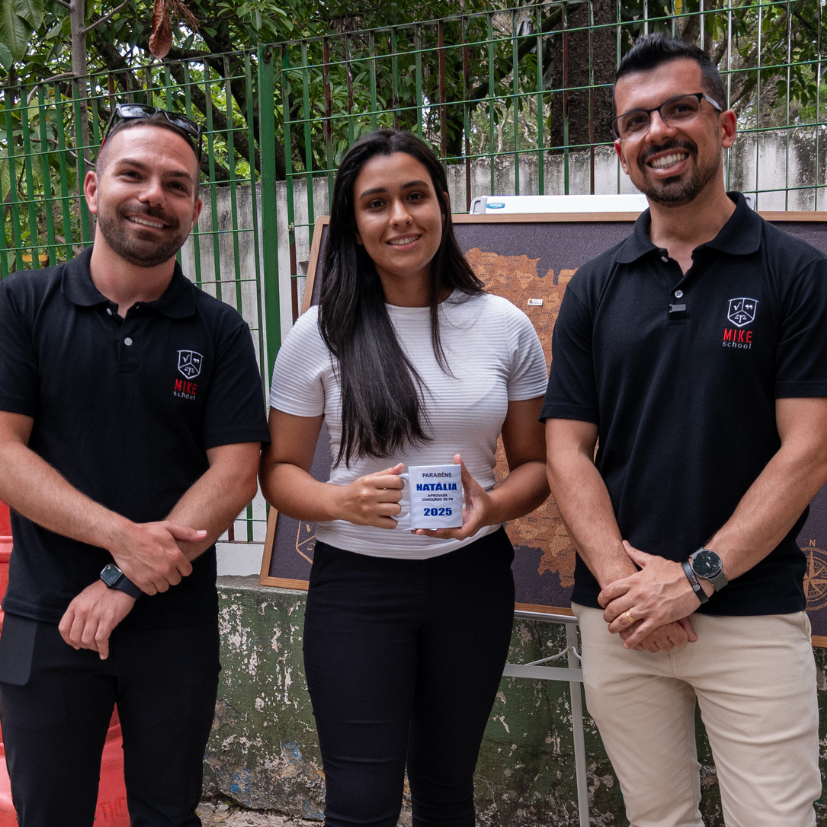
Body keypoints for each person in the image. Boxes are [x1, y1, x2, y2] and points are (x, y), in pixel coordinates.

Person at [543, 33, 827, 827]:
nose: (657, 131)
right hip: (621, 617)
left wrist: (694, 578)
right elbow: (564, 449)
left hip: (748, 610)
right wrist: (623, 585)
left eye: (679, 108)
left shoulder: (797, 275)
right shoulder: (593, 287)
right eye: (636, 120)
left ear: (724, 124)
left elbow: (808, 448)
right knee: (655, 816)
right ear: (619, 150)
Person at [259, 129, 549, 826]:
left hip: (471, 581)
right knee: (361, 801)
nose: (399, 218)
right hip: (357, 589)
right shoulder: (318, 333)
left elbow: (538, 466)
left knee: (448, 790)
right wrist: (339, 500)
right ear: (353, 223)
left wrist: (490, 507)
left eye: (415, 196)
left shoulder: (504, 325)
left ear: (441, 204)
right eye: (376, 203)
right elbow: (278, 472)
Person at [0, 104, 270, 827]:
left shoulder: (219, 329)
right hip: (46, 618)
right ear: (93, 188)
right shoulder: (21, 304)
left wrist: (122, 579)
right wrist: (123, 540)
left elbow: (235, 473)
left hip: (174, 627)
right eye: (133, 175)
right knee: (47, 813)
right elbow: (4, 452)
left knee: (167, 814)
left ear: (195, 209)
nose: (154, 195)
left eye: (177, 185)